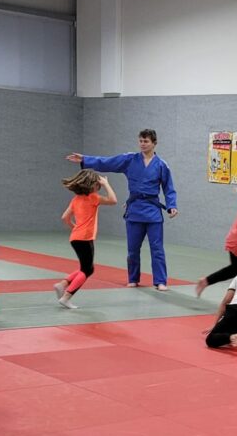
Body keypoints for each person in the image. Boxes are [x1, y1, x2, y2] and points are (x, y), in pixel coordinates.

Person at [67, 129, 178, 290]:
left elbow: (169, 187)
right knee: (132, 249)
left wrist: (172, 205)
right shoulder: (130, 159)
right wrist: (85, 159)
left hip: (153, 212)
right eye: (140, 141)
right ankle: (133, 278)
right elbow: (107, 162)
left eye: (146, 141)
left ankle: (160, 281)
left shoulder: (161, 165)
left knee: (157, 249)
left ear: (154, 143)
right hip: (134, 210)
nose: (142, 144)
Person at [53, 169, 118, 309]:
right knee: (87, 270)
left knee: (86, 268)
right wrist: (107, 184)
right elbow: (113, 200)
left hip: (75, 237)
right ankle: (66, 296)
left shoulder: (75, 199)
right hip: (85, 238)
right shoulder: (93, 197)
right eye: (98, 184)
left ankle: (63, 284)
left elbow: (65, 217)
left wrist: (74, 227)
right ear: (93, 185)